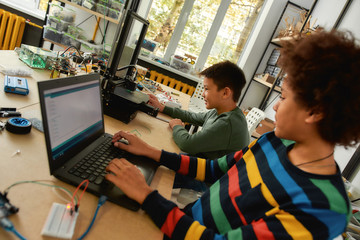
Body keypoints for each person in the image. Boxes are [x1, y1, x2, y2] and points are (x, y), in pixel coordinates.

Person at [105, 29, 360, 239]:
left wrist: (147, 196)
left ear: (315, 111)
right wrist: (149, 151)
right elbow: (214, 169)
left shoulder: (323, 208)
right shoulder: (274, 142)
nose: (276, 106)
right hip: (182, 221)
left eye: (282, 97)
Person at [147, 61, 249, 160]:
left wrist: (176, 126)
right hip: (200, 163)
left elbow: (187, 144)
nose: (202, 94)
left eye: (206, 89)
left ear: (225, 93)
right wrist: (163, 108)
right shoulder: (220, 111)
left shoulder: (227, 123)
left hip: (206, 175)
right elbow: (192, 117)